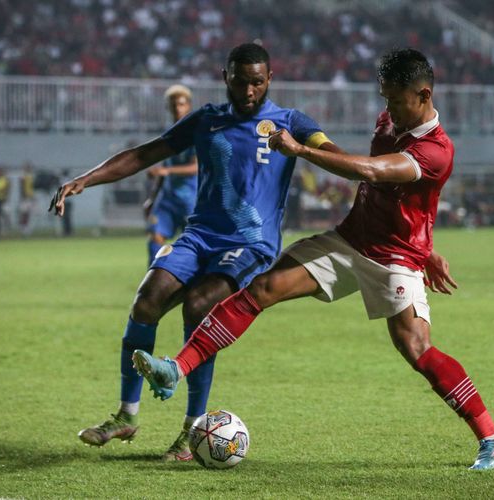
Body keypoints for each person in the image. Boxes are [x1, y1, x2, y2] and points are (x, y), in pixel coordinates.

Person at [133, 48, 494, 470]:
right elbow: (405, 202)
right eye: (384, 97)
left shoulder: (435, 151)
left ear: (423, 94)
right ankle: (176, 367)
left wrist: (299, 150)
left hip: (393, 257)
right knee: (263, 287)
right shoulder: (390, 119)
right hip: (350, 240)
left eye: (394, 100)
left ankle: (493, 438)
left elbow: (368, 171)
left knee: (416, 347)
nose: (386, 108)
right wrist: (431, 247)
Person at [49, 43, 338, 461]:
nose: (249, 90)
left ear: (270, 79)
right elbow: (146, 153)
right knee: (147, 300)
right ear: (226, 77)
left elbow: (335, 156)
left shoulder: (290, 122)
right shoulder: (206, 119)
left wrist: (307, 151)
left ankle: (191, 431)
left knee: (200, 305)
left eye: (257, 82)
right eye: (241, 81)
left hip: (250, 244)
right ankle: (126, 415)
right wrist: (85, 180)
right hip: (199, 236)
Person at [144, 85, 199, 265]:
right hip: (167, 198)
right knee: (155, 238)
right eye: (174, 105)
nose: (177, 109)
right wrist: (152, 198)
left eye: (181, 104)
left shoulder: (195, 134)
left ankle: (189, 283)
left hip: (190, 199)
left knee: (192, 245)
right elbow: (164, 167)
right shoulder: (169, 135)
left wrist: (166, 171)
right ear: (169, 108)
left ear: (189, 106)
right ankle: (153, 283)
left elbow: (195, 167)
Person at [18, 163, 35, 237]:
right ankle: (22, 227)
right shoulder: (23, 176)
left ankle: (26, 228)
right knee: (24, 213)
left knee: (29, 213)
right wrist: (23, 196)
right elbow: (21, 187)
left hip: (30, 197)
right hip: (25, 197)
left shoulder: (31, 176)